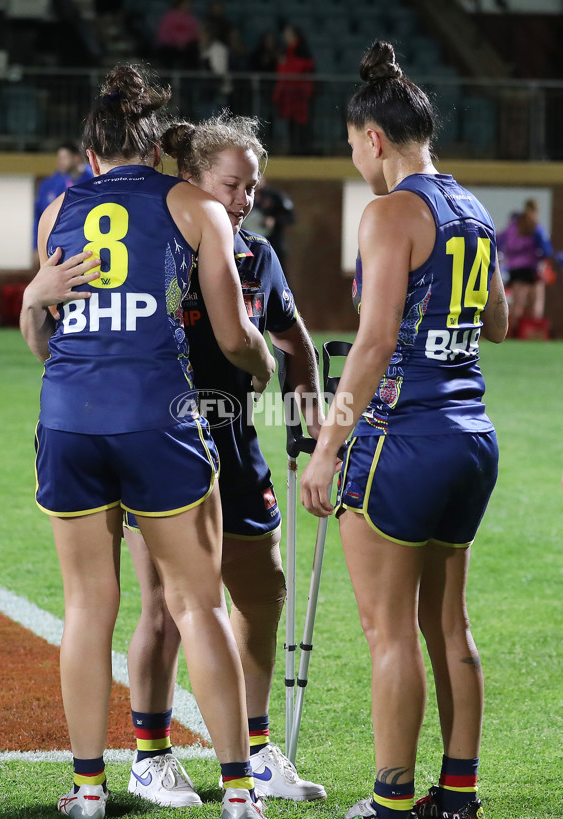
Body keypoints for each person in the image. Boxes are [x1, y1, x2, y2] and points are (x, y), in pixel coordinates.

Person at [20, 63, 275, 819]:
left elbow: (45, 340)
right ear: (157, 149)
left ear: (91, 153)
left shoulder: (58, 210)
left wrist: (33, 299)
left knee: (87, 609)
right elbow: (231, 338)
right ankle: (236, 793)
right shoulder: (196, 206)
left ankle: (91, 790)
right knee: (198, 605)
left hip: (70, 417)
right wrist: (267, 363)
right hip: (158, 417)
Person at [299, 41, 508, 819]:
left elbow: (376, 339)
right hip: (470, 437)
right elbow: (501, 319)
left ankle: (389, 802)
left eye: (352, 143)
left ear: (373, 138)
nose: (353, 156)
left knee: (387, 631)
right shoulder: (475, 210)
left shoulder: (389, 212)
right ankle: (457, 796)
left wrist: (327, 446)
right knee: (447, 622)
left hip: (404, 438)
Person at [122, 112, 327, 809]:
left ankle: (255, 743)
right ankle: (150, 756)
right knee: (164, 607)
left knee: (263, 587)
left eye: (251, 187)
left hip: (236, 445)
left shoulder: (258, 257)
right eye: (231, 185)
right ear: (193, 183)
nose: (243, 199)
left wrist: (311, 432)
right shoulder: (157, 251)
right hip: (164, 443)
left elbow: (297, 344)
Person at [497, 197, 553, 337]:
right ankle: (531, 335)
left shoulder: (513, 226)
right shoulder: (536, 228)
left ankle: (511, 334)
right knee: (536, 305)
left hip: (516, 270)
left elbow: (498, 240)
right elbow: (546, 250)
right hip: (532, 270)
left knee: (516, 305)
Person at [33, 142, 93, 251]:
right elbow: (39, 215)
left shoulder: (93, 179)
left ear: (76, 158)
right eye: (59, 158)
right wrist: (36, 246)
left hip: (89, 244)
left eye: (64, 157)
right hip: (59, 246)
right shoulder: (50, 184)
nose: (60, 162)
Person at [272, 24, 315, 155]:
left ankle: (302, 151)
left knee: (301, 124)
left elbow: (305, 68)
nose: (285, 37)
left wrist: (286, 64)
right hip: (290, 95)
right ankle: (293, 150)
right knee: (291, 123)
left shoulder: (302, 50)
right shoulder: (287, 50)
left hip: (300, 95)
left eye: (288, 35)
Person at [243, 175, 295, 271]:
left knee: (276, 271)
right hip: (248, 243)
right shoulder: (242, 195)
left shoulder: (275, 196)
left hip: (272, 242)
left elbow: (290, 217)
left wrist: (275, 220)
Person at [154, 0, 201, 69]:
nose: (188, 6)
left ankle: (189, 76)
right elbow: (163, 34)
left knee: (193, 51)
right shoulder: (169, 16)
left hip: (187, 46)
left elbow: (195, 34)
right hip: (170, 46)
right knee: (166, 52)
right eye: (186, 4)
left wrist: (185, 42)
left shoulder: (192, 18)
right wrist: (176, 42)